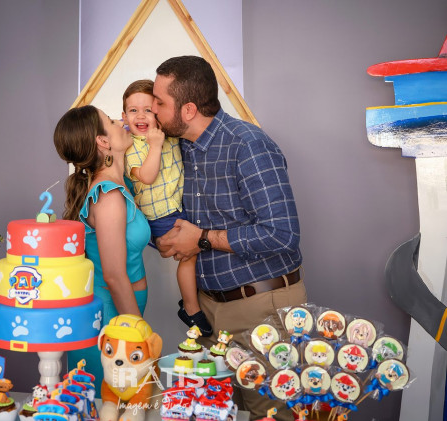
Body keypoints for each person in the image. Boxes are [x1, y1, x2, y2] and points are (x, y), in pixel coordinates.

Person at [152, 55, 307, 421]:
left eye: (159, 102)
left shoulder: (248, 145)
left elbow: (282, 233)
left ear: (188, 110)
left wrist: (203, 238)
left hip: (262, 307)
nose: (153, 109)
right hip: (207, 312)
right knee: (211, 411)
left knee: (271, 415)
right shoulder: (179, 149)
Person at [53, 105, 151, 389]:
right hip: (110, 317)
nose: (121, 121)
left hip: (120, 312)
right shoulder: (108, 197)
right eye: (111, 121)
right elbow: (114, 276)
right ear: (103, 141)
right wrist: (140, 337)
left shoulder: (119, 186)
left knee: (121, 401)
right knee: (107, 400)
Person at [122, 79, 212, 336]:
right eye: (133, 110)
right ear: (124, 117)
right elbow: (147, 176)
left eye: (148, 110)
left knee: (197, 251)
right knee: (189, 255)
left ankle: (196, 298)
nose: (141, 116)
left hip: (180, 206)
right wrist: (155, 145)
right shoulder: (131, 147)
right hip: (159, 214)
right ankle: (191, 308)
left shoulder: (168, 134)